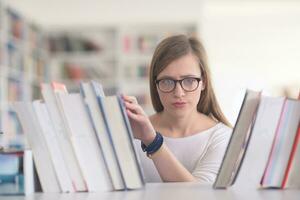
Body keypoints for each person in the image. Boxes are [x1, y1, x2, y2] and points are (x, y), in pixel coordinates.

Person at [122, 34, 232, 183]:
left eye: (189, 80)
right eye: (167, 81)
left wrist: (152, 142)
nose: (179, 93)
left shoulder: (222, 137)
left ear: (203, 82)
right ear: (155, 85)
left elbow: (200, 195)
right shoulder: (133, 132)